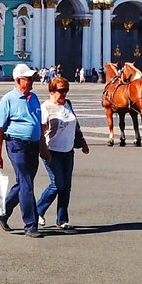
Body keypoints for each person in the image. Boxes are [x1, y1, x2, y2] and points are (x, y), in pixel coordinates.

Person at [0, 63, 49, 237]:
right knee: (27, 183)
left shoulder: (33, 98)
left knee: (24, 182)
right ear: (18, 80)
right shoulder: (8, 100)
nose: (32, 81)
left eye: (32, 78)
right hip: (16, 145)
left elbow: (38, 124)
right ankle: (30, 225)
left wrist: (43, 148)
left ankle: (2, 212)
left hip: (32, 145)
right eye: (28, 79)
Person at [36, 76, 89, 231]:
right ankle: (37, 210)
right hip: (51, 151)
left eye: (66, 90)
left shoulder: (68, 104)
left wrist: (83, 142)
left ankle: (62, 219)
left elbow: (76, 126)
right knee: (57, 184)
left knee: (66, 186)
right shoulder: (45, 107)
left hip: (68, 151)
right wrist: (42, 150)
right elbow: (40, 130)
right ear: (52, 91)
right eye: (61, 91)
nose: (64, 94)